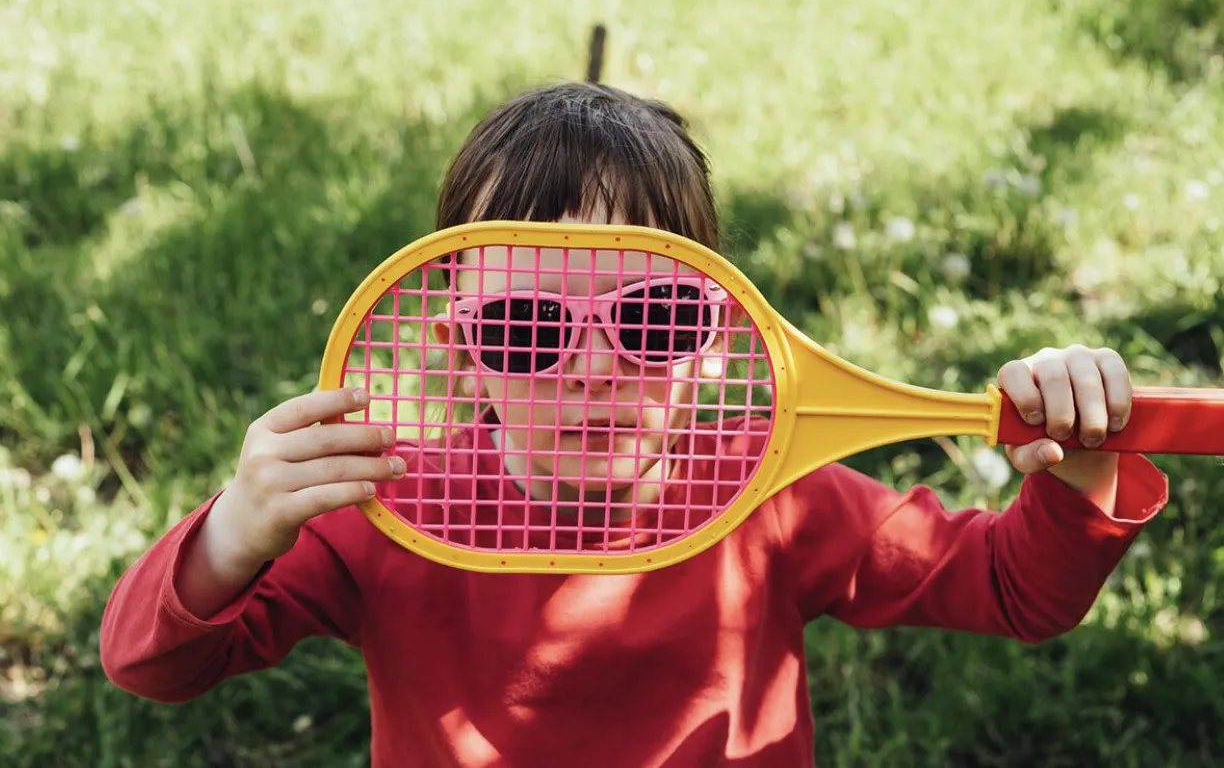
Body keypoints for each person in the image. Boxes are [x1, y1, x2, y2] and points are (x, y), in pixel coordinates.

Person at [100, 83, 1168, 768]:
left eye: (651, 318)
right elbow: (154, 664)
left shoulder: (776, 493)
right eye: (526, 327)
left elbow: (1014, 592)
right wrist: (235, 529)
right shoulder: (384, 511)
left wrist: (1075, 477)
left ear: (715, 334)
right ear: (460, 339)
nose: (591, 369)